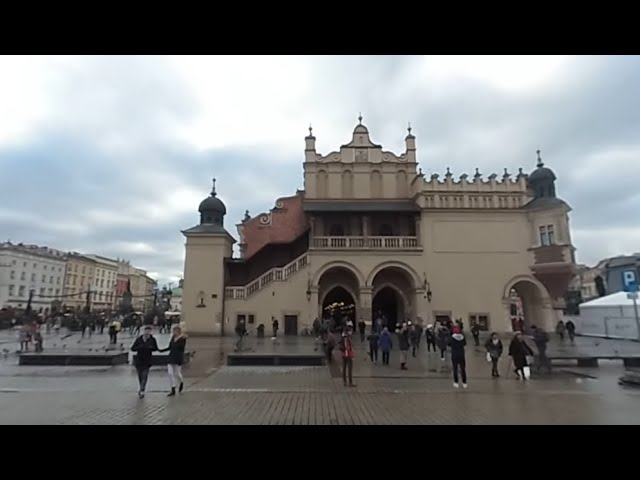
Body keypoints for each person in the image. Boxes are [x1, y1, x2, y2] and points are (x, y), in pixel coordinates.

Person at [131, 326, 159, 398]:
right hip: (139, 360)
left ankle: (142, 390)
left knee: (144, 376)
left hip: (147, 360)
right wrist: (140, 347)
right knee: (140, 376)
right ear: (144, 331)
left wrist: (150, 347)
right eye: (146, 331)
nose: (147, 332)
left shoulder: (152, 340)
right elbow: (133, 348)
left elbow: (155, 348)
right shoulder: (139, 339)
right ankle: (141, 387)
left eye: (149, 331)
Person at [159, 325, 187, 396]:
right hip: (171, 357)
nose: (173, 332)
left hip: (178, 357)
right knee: (170, 373)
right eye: (173, 331)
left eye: (174, 331)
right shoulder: (172, 338)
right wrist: (161, 350)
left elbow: (181, 348)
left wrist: (178, 339)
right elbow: (170, 347)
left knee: (177, 373)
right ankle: (173, 388)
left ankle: (181, 382)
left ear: (178, 331)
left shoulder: (183, 339)